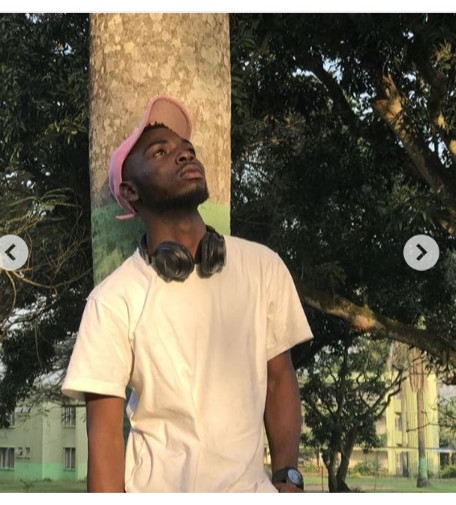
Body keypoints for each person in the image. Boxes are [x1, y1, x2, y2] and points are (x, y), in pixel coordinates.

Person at [62, 95, 313, 493]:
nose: (183, 154)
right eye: (160, 152)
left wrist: (288, 477)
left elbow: (279, 378)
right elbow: (106, 434)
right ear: (130, 190)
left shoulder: (263, 266)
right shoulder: (112, 301)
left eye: (187, 148)